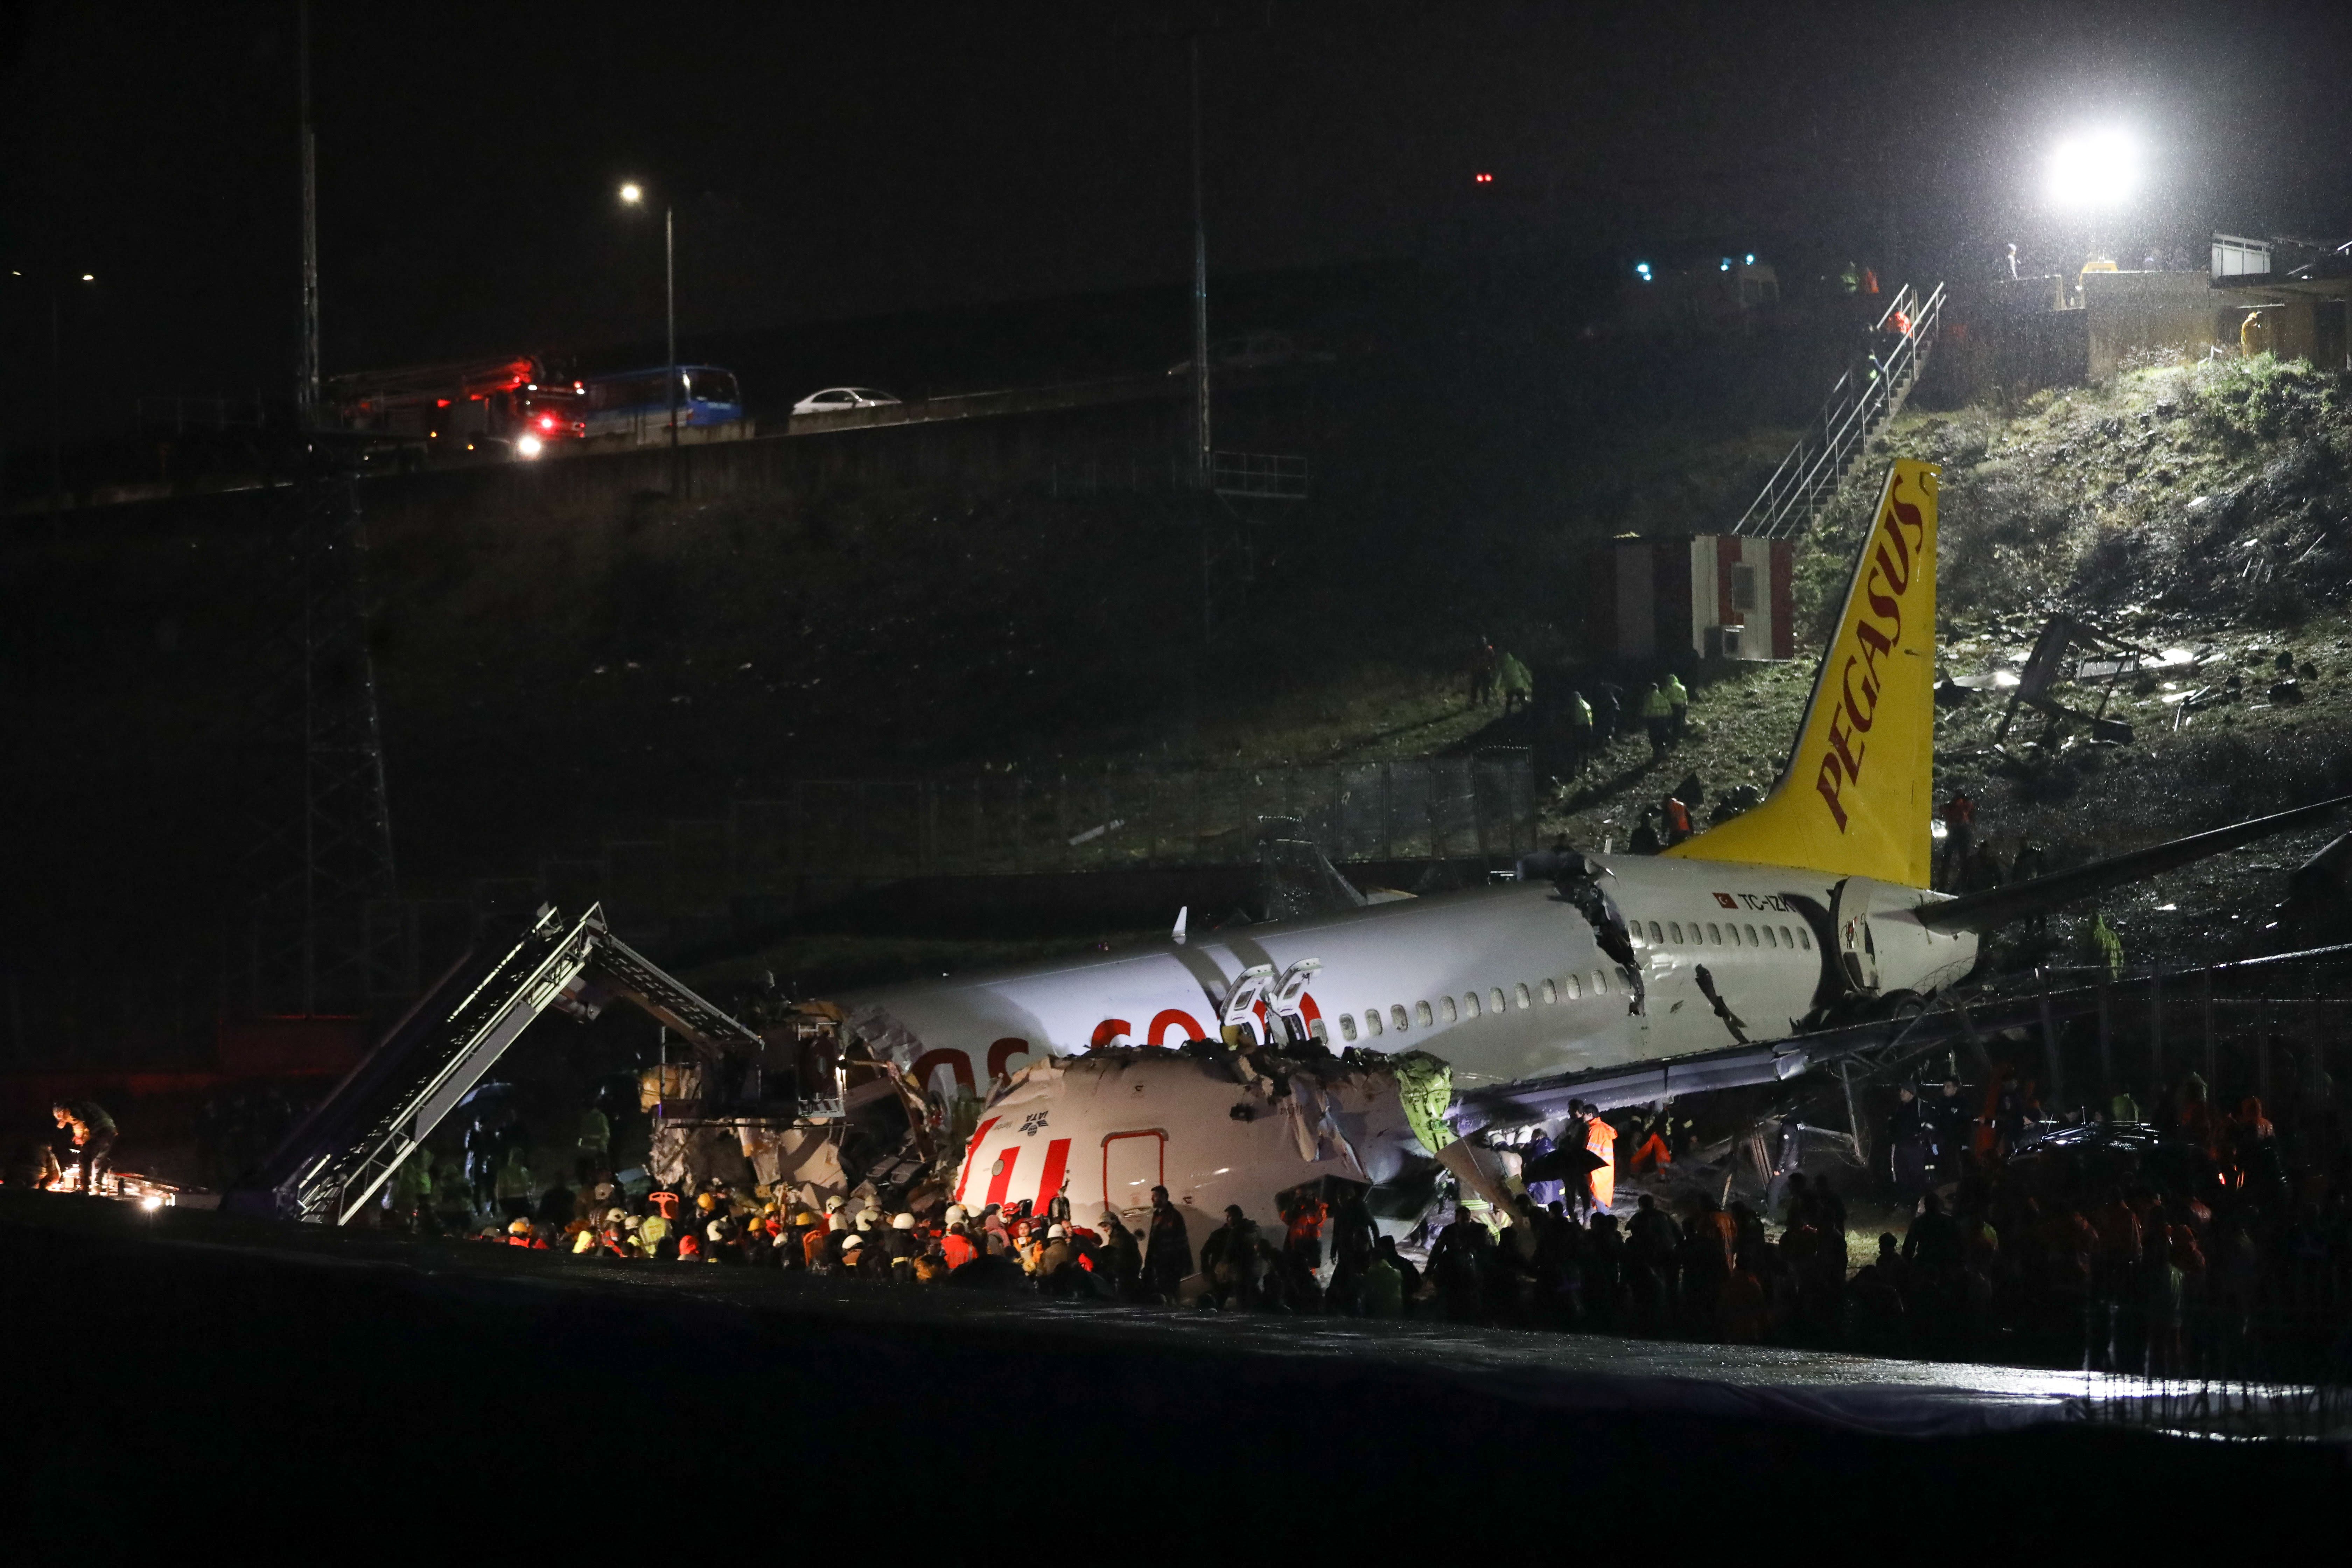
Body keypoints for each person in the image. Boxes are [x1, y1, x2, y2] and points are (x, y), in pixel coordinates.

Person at [50, 1100, 117, 1196]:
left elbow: (77, 1122)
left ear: (61, 1113)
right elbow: (86, 1124)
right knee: (97, 1162)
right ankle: (97, 1189)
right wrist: (84, 1137)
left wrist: (79, 1137)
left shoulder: (71, 1110)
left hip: (100, 1130)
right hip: (110, 1131)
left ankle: (84, 1190)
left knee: (84, 1158)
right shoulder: (83, 1106)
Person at [1143, 1185, 1192, 1302]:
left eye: (1155, 1196)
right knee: (1164, 1292)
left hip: (1171, 1265)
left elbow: (1181, 1242)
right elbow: (1153, 1240)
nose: (1152, 1199)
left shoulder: (1174, 1216)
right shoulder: (1157, 1216)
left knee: (1171, 1293)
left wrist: (1181, 1264)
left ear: (1164, 1197)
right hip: (1160, 1264)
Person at [1936, 792, 1976, 891]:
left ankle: (1943, 885)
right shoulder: (1967, 806)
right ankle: (1963, 887)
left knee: (1947, 860)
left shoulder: (1952, 807)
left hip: (1955, 831)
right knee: (1963, 861)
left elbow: (1942, 811)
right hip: (1963, 832)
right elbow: (1971, 819)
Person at [1639, 681, 1674, 761]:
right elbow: (1669, 709)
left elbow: (1646, 709)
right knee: (1662, 735)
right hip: (1663, 719)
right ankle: (1663, 752)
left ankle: (1657, 753)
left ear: (1650, 689)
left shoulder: (1649, 697)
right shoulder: (1663, 697)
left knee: (1654, 737)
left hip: (1653, 720)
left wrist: (1643, 718)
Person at [1498, 651, 1534, 716]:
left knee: (1509, 702)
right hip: (1519, 686)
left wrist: (1495, 687)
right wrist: (1530, 681)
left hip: (1510, 688)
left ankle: (1508, 715)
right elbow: (1525, 673)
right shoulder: (1517, 663)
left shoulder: (1503, 668)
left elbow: (1498, 678)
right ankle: (1527, 713)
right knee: (1523, 700)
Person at [1468, 640, 1497, 706]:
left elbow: (1493, 660)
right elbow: (1472, 660)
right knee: (1475, 686)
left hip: (1485, 670)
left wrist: (1494, 668)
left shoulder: (1489, 650)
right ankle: (1474, 701)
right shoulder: (1476, 650)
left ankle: (1485, 701)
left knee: (1486, 687)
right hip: (1478, 670)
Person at [1662, 671, 1689, 739]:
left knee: (1669, 721)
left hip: (1671, 705)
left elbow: (1664, 696)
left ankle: (1669, 736)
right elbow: (1685, 698)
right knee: (1678, 721)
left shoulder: (1669, 687)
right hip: (1680, 706)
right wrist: (1685, 706)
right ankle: (1677, 735)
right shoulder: (1682, 687)